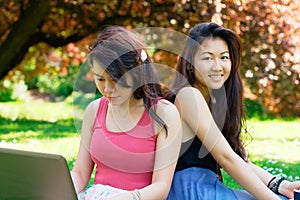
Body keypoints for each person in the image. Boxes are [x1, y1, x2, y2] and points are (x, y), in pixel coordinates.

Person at [166, 22, 300, 200]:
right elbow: (226, 158)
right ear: (190, 63)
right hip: (192, 191)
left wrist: (280, 185)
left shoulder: (213, 101)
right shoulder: (188, 95)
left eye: (224, 57)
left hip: (204, 188)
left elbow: (238, 158)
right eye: (207, 58)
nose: (217, 66)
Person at [71, 26, 182, 200]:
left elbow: (161, 188)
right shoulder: (94, 110)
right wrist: (60, 189)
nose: (107, 89)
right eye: (100, 79)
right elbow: (80, 172)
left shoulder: (164, 114)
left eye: (116, 80)